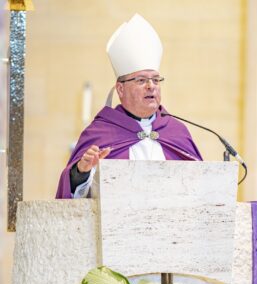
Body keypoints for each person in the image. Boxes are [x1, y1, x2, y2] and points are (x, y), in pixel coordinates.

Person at [56, 14, 202, 199]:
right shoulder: (99, 134)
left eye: (156, 80)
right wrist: (81, 172)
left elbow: (200, 187)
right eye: (141, 80)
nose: (151, 86)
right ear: (120, 89)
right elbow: (73, 196)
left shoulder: (177, 132)